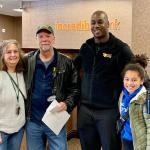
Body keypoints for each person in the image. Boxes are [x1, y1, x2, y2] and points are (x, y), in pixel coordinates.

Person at [74, 10, 134, 150]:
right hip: (85, 111)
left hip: (107, 112)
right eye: (93, 23)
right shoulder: (86, 47)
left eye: (100, 22)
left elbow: (138, 71)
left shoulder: (121, 49)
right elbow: (71, 68)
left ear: (108, 24)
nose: (96, 26)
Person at [24, 25, 79, 150]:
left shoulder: (66, 62)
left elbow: (75, 89)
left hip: (56, 119)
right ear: (36, 39)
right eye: (41, 36)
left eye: (48, 36)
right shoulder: (27, 60)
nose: (44, 39)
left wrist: (67, 104)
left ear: (54, 39)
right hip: (33, 120)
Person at [119, 55, 150, 150]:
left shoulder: (146, 98)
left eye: (134, 80)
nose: (129, 83)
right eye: (127, 79)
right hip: (126, 138)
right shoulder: (122, 94)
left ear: (141, 81)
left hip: (140, 143)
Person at [0, 39, 26, 150]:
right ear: (2, 55)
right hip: (2, 131)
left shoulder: (22, 74)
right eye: (8, 52)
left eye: (15, 51)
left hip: (18, 128)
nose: (13, 55)